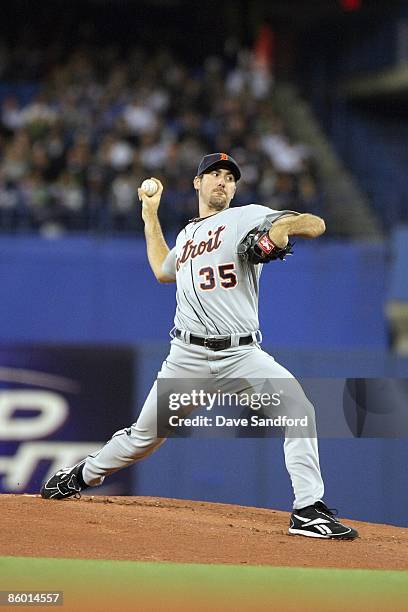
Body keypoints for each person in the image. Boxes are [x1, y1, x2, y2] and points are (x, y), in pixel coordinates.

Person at [41, 152, 358, 540]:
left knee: (299, 409)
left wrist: (281, 230)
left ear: (236, 187)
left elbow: (314, 224)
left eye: (229, 176)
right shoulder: (188, 236)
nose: (221, 181)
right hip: (187, 358)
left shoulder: (246, 217)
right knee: (142, 440)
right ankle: (81, 474)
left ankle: (308, 510)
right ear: (197, 183)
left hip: (241, 355)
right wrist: (149, 216)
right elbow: (162, 270)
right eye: (213, 175)